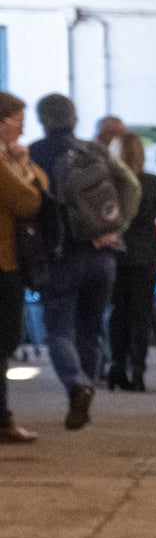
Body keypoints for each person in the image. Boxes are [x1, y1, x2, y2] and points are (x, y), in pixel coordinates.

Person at [27, 93, 128, 427]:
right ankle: (87, 387)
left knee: (58, 329)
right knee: (92, 326)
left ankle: (77, 384)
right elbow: (131, 185)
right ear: (75, 117)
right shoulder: (94, 150)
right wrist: (117, 226)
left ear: (43, 119)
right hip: (103, 254)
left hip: (61, 254)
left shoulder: (36, 153)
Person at [103, 128, 156, 394]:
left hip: (116, 253)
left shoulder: (106, 182)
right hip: (146, 254)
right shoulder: (149, 181)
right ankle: (137, 371)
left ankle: (115, 366)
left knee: (117, 311)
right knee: (140, 314)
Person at [0, 93, 44, 444]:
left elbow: (41, 184)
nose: (23, 129)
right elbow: (29, 199)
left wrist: (23, 162)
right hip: (3, 261)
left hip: (7, 259)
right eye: (18, 122)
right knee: (4, 340)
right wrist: (22, 166)